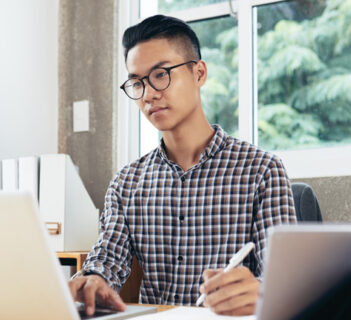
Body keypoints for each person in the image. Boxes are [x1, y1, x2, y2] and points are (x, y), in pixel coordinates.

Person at [68, 14, 296, 316]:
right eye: (137, 82)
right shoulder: (126, 183)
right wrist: (92, 280)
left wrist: (264, 292)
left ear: (199, 73)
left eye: (161, 74)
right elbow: (106, 260)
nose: (149, 94)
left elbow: (289, 284)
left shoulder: (262, 171)